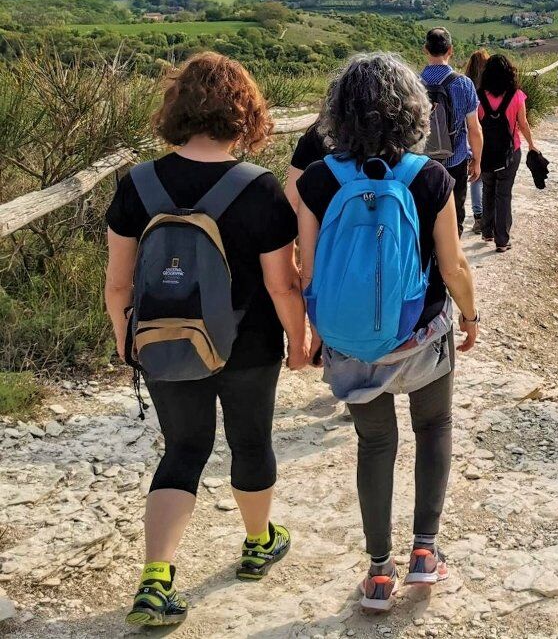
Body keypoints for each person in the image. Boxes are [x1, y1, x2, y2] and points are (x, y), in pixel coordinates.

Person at [104, 53, 306, 628]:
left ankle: (155, 577)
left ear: (177, 107)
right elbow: (282, 284)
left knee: (183, 450)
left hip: (165, 343)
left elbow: (118, 284)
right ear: (244, 112)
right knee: (250, 442)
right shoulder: (259, 188)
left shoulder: (137, 185)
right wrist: (299, 342)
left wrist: (129, 344)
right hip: (249, 344)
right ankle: (258, 543)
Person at [295, 53, 479, 611]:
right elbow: (452, 266)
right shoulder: (429, 177)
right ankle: (426, 553)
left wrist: (309, 332)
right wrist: (469, 318)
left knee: (374, 442)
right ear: (411, 110)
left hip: (349, 339)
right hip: (421, 333)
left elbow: (305, 267)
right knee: (434, 426)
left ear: (338, 111)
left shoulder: (319, 180)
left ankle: (378, 573)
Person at [421, 28, 482, 235]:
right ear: (451, 50)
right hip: (455, 160)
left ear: (425, 50)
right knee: (455, 214)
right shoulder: (464, 84)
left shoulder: (412, 85)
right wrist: (477, 160)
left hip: (422, 163)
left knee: (426, 216)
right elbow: (474, 129)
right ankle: (452, 256)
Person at [476, 54, 539, 252]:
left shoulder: (478, 96)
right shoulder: (516, 95)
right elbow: (523, 123)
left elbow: (474, 126)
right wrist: (532, 145)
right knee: (503, 193)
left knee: (488, 188)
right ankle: (502, 240)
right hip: (510, 151)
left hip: (485, 151)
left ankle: (487, 231)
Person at [463, 48, 490, 235]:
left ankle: (478, 218)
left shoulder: (466, 87)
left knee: (475, 178)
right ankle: (490, 216)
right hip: (492, 138)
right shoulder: (493, 89)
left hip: (471, 138)